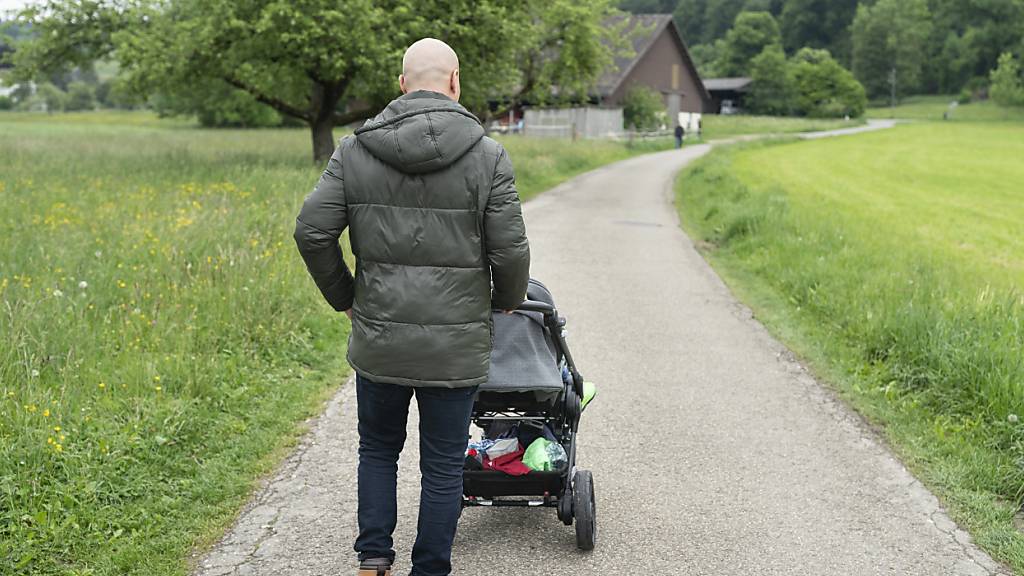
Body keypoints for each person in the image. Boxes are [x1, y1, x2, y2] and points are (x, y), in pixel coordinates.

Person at [293, 38, 531, 576]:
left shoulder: (354, 151)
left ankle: (373, 559)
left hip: (381, 339)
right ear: (455, 82)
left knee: (377, 450)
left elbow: (311, 232)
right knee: (443, 465)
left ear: (402, 84)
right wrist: (506, 303)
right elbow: (510, 250)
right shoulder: (488, 155)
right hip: (455, 344)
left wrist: (346, 299)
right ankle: (430, 568)